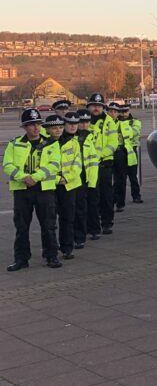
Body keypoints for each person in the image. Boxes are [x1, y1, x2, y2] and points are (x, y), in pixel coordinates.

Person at [4, 109, 62, 270]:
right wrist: (23, 177)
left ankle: (51, 256)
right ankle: (21, 258)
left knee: (48, 225)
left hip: (44, 189)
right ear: (24, 127)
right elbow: (8, 165)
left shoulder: (51, 144)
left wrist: (35, 177)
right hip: (22, 190)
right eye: (31, 125)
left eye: (37, 124)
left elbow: (54, 164)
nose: (35, 128)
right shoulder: (14, 144)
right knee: (21, 227)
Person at [44, 115, 81, 261]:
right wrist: (57, 179)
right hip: (50, 186)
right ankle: (49, 249)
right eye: (55, 128)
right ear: (48, 129)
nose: (58, 130)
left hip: (68, 185)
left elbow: (77, 164)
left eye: (60, 127)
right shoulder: (43, 145)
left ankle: (67, 248)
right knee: (49, 221)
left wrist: (67, 178)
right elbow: (43, 167)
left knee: (68, 218)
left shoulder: (72, 143)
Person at [87, 94, 119, 235]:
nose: (96, 108)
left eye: (99, 106)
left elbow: (113, 143)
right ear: (88, 107)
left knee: (107, 195)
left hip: (104, 163)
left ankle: (107, 223)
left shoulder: (109, 122)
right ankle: (93, 225)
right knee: (91, 196)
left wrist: (98, 156)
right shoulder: (84, 121)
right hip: (88, 165)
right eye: (93, 105)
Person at [73, 110, 100, 246]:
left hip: (91, 175)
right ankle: (80, 235)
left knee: (93, 204)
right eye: (81, 122)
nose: (84, 125)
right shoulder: (72, 137)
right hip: (77, 177)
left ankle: (94, 229)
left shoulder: (94, 134)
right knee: (80, 208)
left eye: (87, 122)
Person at [114, 103, 143, 207]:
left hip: (131, 151)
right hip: (120, 151)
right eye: (121, 112)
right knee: (119, 178)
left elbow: (133, 132)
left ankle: (136, 195)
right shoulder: (115, 122)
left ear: (129, 111)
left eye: (125, 112)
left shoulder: (135, 122)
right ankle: (118, 199)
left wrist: (122, 126)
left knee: (133, 175)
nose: (123, 114)